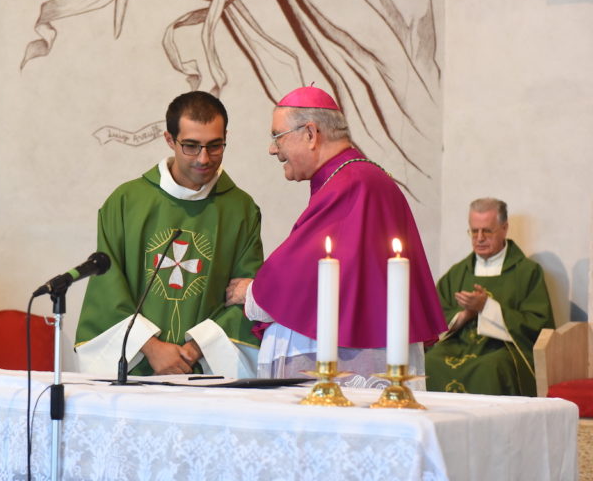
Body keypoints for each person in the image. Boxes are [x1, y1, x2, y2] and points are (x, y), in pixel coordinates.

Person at [226, 85, 446, 387]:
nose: (273, 149)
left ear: (310, 134)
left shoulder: (352, 183)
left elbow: (301, 273)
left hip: (352, 362)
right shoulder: (356, 177)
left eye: (277, 137)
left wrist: (251, 293)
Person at [75, 91, 264, 377]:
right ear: (169, 140)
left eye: (215, 146)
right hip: (140, 366)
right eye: (191, 146)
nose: (204, 158)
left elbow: (246, 294)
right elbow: (107, 289)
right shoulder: (126, 202)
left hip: (206, 369)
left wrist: (197, 348)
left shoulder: (241, 209)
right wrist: (151, 347)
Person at [425, 198, 554, 396]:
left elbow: (538, 324)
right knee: (431, 361)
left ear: (504, 228)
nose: (479, 238)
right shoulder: (457, 273)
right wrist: (464, 315)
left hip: (501, 349)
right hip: (458, 346)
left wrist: (487, 307)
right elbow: (434, 317)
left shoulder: (527, 272)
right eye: (474, 231)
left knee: (491, 367)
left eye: (487, 230)